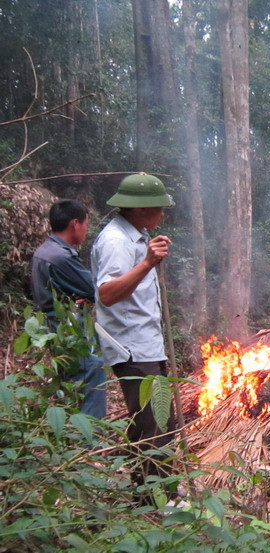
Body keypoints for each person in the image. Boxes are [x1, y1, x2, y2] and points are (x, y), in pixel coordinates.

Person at [91, 173, 177, 503]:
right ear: (140, 210)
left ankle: (147, 495)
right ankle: (158, 503)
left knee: (152, 422)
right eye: (158, 208)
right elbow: (108, 294)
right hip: (132, 348)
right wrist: (147, 263)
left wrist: (148, 258)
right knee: (154, 424)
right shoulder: (115, 242)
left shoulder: (135, 236)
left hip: (145, 345)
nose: (163, 215)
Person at [31, 199, 107, 419]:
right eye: (86, 224)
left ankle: (71, 442)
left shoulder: (45, 251)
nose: (86, 229)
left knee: (71, 386)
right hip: (71, 332)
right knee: (91, 373)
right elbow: (95, 290)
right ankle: (88, 444)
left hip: (55, 331)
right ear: (75, 223)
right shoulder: (61, 257)